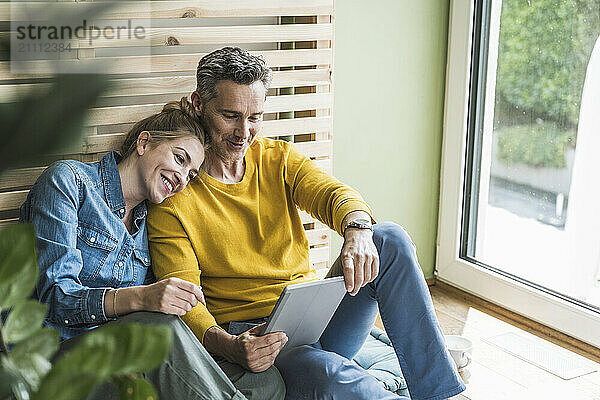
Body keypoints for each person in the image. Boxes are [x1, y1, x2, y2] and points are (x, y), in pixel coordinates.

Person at [147, 47, 466, 400]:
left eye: (255, 117)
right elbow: (185, 299)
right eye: (230, 115)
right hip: (256, 338)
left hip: (316, 314)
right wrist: (231, 346)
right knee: (333, 375)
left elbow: (333, 194)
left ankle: (439, 393)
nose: (244, 131)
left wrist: (357, 230)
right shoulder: (172, 200)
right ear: (197, 103)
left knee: (389, 237)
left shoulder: (277, 159)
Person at [20, 97, 285, 400]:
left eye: (192, 175)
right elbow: (55, 299)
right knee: (158, 328)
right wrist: (142, 298)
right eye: (180, 159)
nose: (183, 180)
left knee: (265, 381)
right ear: (144, 143)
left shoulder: (153, 224)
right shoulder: (69, 182)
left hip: (128, 365)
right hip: (55, 362)